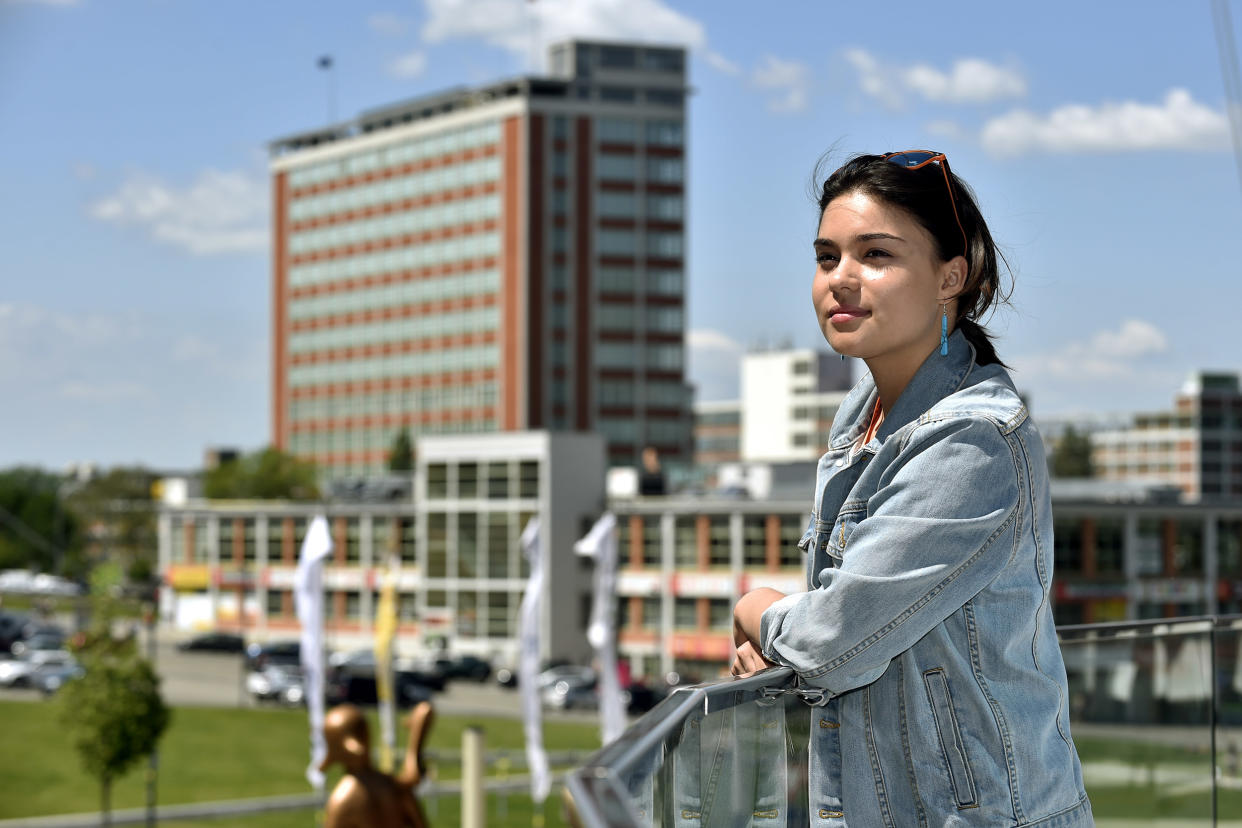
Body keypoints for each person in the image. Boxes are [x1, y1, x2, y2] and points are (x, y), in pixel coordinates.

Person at [731, 151, 1092, 826]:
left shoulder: (971, 439)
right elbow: (852, 619)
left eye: (876, 255)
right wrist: (799, 632)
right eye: (826, 256)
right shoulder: (863, 417)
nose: (841, 279)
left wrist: (757, 608)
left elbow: (831, 642)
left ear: (950, 276)